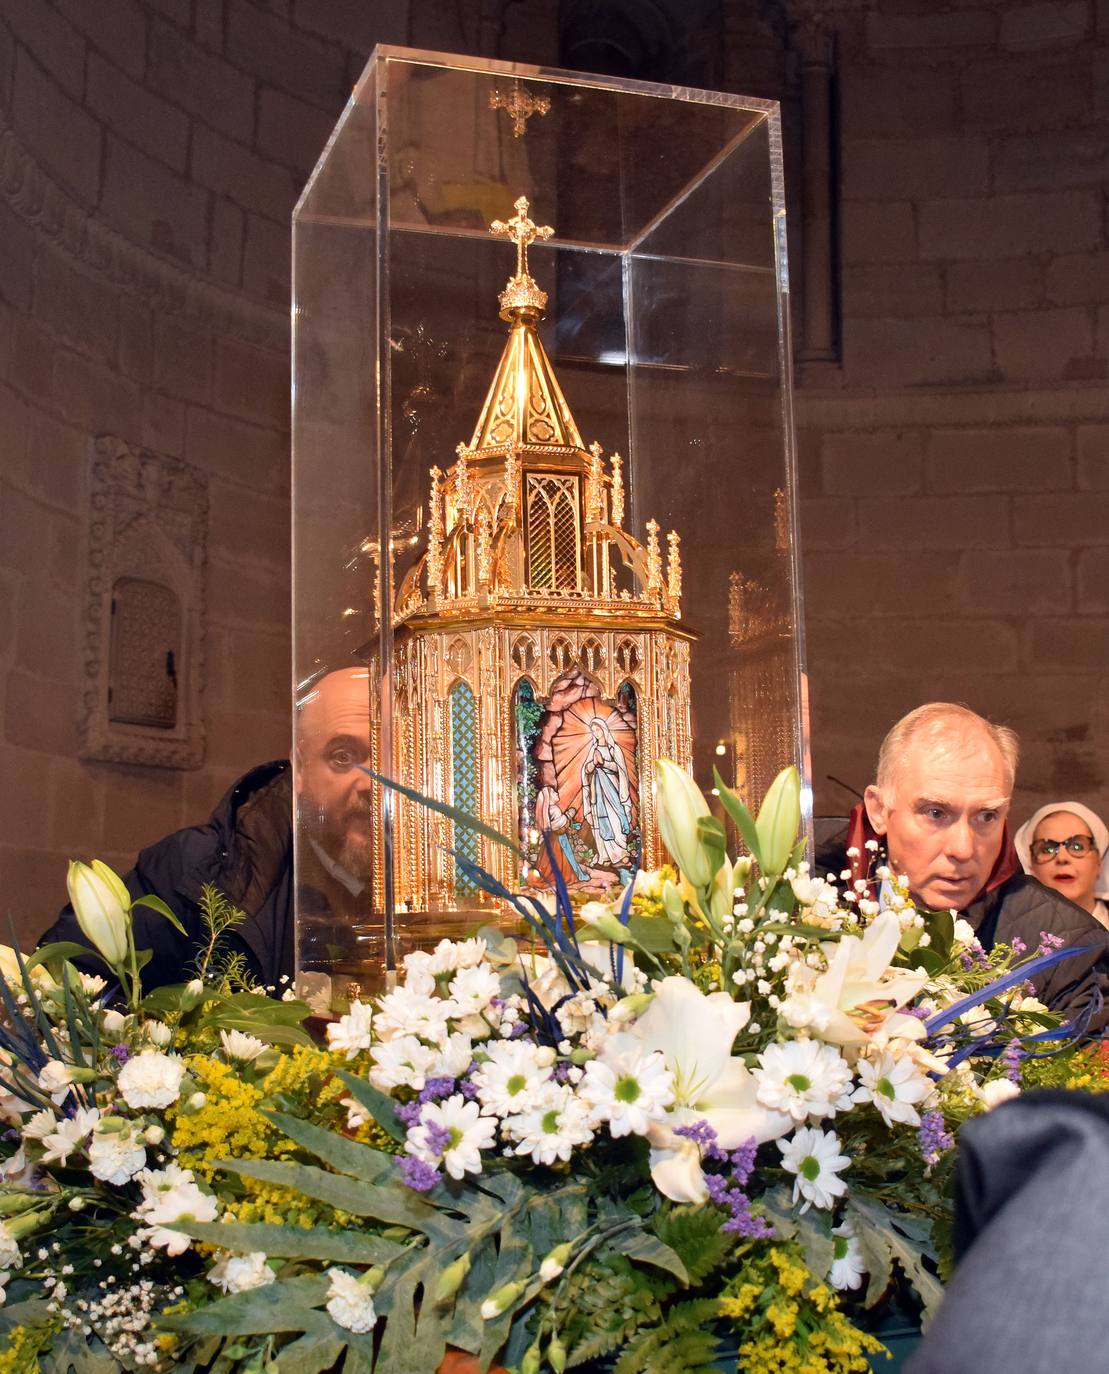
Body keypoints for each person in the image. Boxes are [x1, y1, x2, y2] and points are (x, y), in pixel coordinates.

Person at [40, 667, 373, 992]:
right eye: (342, 757)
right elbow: (59, 983)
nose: (373, 782)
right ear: (299, 767)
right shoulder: (203, 870)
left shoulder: (419, 874)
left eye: (391, 755)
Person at [836, 702, 1109, 1023]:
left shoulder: (1072, 953)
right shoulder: (804, 907)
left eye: (986, 816)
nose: (964, 849)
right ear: (879, 810)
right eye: (935, 813)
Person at [1014, 802, 1109, 930]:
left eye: (1077, 846)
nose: (1062, 858)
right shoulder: (1012, 936)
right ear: (1031, 869)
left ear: (1099, 862)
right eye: (1047, 850)